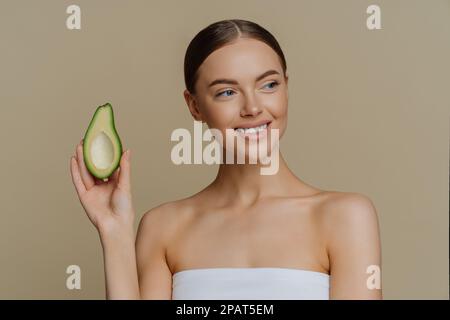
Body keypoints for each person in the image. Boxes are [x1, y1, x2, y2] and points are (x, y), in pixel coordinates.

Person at [70, 19, 382, 300]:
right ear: (194, 106)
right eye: (227, 92)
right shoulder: (164, 227)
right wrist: (115, 233)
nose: (253, 107)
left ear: (287, 88)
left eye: (269, 85)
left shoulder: (345, 217)